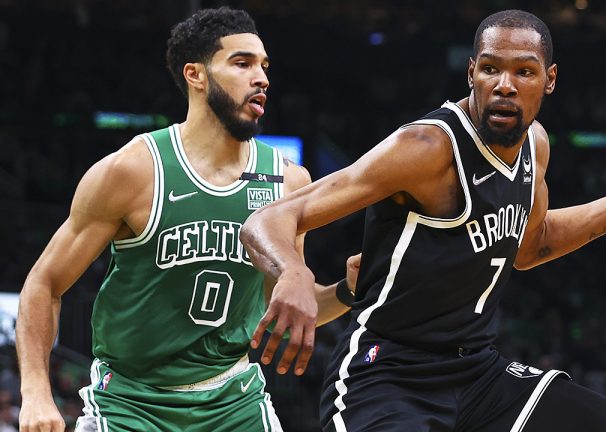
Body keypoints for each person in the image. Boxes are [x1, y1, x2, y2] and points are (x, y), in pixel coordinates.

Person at [240, 9, 606, 432]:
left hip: (476, 372)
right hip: (386, 374)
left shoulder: (536, 147)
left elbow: (531, 246)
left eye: (524, 72)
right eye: (490, 69)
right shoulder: (426, 148)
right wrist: (293, 272)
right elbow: (272, 217)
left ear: (550, 80)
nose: (504, 85)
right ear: (471, 73)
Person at [16, 7, 358, 432]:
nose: (262, 78)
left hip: (235, 401)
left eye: (264, 66)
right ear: (195, 75)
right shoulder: (133, 171)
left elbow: (284, 310)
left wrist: (347, 291)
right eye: (242, 62)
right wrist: (34, 392)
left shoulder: (288, 181)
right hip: (131, 404)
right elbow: (43, 283)